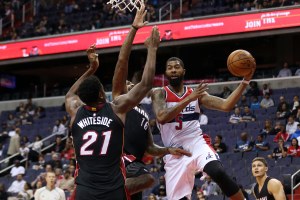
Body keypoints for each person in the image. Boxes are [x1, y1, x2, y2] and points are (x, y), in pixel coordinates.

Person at [65, 5, 159, 200]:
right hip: (113, 190)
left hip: (84, 190)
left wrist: (92, 68)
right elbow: (146, 83)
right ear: (102, 94)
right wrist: (152, 49)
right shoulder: (117, 109)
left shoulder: (75, 112)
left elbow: (69, 95)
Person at [110, 8, 190, 200]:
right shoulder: (121, 100)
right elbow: (122, 61)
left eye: (132, 83)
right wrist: (133, 30)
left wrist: (168, 150)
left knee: (144, 179)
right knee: (147, 178)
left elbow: (150, 148)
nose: (129, 84)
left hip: (133, 167)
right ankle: (104, 194)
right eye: (127, 83)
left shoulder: (144, 114)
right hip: (118, 161)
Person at [151, 56, 255, 199]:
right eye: (170, 68)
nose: (173, 70)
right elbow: (162, 117)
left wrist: (245, 81)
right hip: (174, 152)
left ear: (183, 71)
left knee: (217, 172)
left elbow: (226, 105)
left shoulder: (197, 94)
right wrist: (189, 99)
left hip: (196, 143)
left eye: (176, 67)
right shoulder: (159, 93)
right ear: (165, 73)